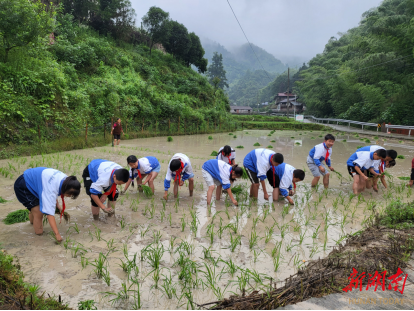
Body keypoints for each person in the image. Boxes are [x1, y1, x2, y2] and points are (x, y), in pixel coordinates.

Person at [14, 167, 81, 242]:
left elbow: (52, 189)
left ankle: (32, 223)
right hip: (24, 185)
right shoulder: (51, 190)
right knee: (39, 213)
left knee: (35, 208)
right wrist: (57, 234)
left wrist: (57, 205)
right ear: (65, 189)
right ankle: (38, 236)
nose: (69, 196)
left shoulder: (67, 180)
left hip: (35, 181)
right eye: (69, 194)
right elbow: (50, 214)